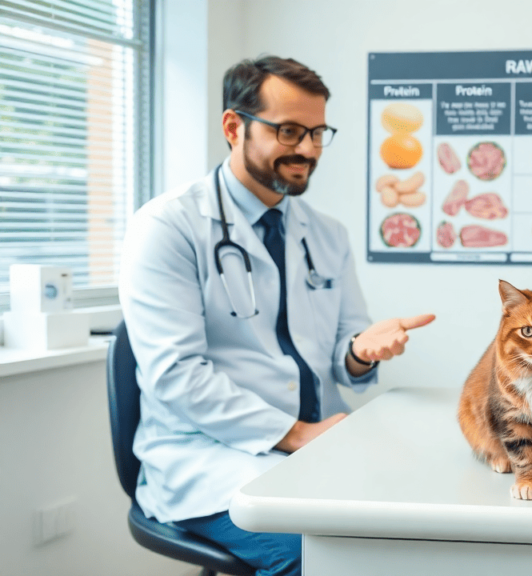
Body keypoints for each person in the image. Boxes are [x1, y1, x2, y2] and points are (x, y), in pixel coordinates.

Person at [119, 55, 434, 576]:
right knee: (321, 557)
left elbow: (341, 350)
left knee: (413, 529)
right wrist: (295, 434)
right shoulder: (167, 226)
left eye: (317, 132)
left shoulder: (325, 232)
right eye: (289, 131)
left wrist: (358, 353)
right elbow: (175, 374)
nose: (308, 149)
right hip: (210, 457)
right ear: (233, 127)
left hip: (316, 447)